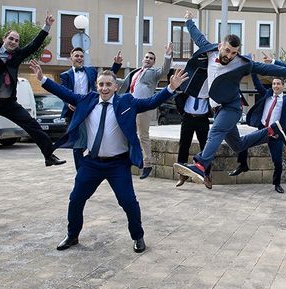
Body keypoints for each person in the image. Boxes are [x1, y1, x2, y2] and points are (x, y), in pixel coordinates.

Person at [30, 60, 189, 253]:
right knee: (76, 199)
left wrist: (171, 88)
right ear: (97, 86)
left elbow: (151, 102)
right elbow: (64, 93)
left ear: (115, 86)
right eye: (101, 84)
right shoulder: (86, 100)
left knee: (128, 202)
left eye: (108, 84)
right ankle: (72, 235)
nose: (104, 88)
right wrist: (42, 79)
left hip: (118, 165)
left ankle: (138, 236)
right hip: (91, 163)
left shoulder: (127, 101)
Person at [173, 11, 286, 188]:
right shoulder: (210, 51)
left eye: (234, 53)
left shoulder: (242, 63)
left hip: (232, 107)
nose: (229, 56)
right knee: (238, 145)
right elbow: (197, 36)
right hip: (218, 108)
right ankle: (271, 132)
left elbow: (265, 68)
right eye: (227, 51)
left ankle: (200, 164)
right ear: (220, 46)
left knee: (216, 131)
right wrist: (188, 20)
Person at [0, 13, 65, 183]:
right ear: (5, 38)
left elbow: (33, 45)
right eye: (11, 38)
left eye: (17, 40)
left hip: (8, 102)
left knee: (32, 124)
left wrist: (46, 27)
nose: (14, 42)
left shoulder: (17, 55)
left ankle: (49, 155)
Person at [231, 56, 286, 193]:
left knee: (278, 161)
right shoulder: (266, 94)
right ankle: (243, 165)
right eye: (274, 84)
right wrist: (253, 67)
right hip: (262, 129)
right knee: (242, 143)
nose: (276, 86)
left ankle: (277, 184)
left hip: (276, 133)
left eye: (278, 84)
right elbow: (256, 83)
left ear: (283, 86)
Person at [60, 47, 123, 170]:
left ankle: (93, 166)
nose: (79, 58)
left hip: (90, 109)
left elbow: (105, 78)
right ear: (71, 58)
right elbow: (63, 91)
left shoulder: (90, 71)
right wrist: (68, 103)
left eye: (81, 56)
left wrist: (116, 64)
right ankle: (80, 172)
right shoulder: (65, 75)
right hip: (74, 112)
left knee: (93, 139)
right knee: (77, 145)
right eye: (76, 56)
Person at [119, 44, 173, 179]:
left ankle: (147, 164)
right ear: (143, 59)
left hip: (144, 106)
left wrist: (167, 56)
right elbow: (128, 87)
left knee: (143, 135)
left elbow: (165, 70)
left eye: (151, 58)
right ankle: (129, 160)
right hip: (131, 106)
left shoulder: (153, 73)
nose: (148, 59)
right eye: (147, 57)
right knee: (128, 133)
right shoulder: (136, 72)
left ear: (154, 62)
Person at [173, 91, 211, 188]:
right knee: (183, 146)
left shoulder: (207, 86)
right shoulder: (190, 84)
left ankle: (206, 175)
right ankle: (182, 175)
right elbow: (177, 95)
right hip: (188, 118)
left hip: (202, 119)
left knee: (206, 147)